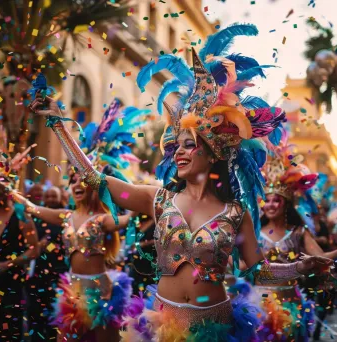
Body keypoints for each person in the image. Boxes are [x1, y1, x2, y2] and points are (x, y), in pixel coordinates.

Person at [29, 24, 334, 341]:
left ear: (213, 150)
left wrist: (301, 267)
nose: (179, 152)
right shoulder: (158, 199)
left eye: (190, 144)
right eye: (178, 145)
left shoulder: (235, 212)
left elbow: (257, 270)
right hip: (162, 325)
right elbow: (96, 178)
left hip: (215, 328)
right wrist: (57, 124)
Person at [0, 97, 150, 342]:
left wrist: (135, 198)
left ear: (92, 188)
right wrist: (6, 188)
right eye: (71, 181)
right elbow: (31, 207)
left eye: (82, 181)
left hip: (101, 295)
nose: (76, 184)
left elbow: (124, 220)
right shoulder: (66, 216)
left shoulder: (101, 220)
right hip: (72, 293)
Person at [257, 139, 337, 341]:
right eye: (267, 200)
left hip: (291, 306)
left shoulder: (298, 232)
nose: (271, 205)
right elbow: (242, 264)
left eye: (277, 200)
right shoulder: (255, 232)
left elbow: (321, 257)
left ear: (286, 204)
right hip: (257, 305)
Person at [0, 146, 39, 341]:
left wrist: (6, 265)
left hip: (11, 284)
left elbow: (34, 250)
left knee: (8, 332)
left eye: (1, 187)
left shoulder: (21, 215)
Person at [25, 185, 68, 341]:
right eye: (47, 196)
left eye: (53, 196)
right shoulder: (37, 216)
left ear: (60, 198)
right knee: (35, 309)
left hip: (59, 272)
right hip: (38, 270)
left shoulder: (65, 216)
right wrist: (39, 245)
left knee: (55, 309)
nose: (50, 199)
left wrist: (46, 246)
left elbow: (58, 245)